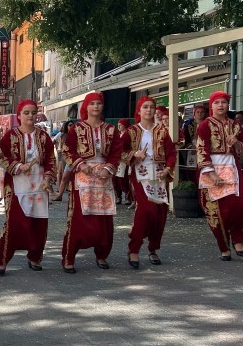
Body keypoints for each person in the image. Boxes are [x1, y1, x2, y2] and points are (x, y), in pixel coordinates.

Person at [61, 93, 123, 272]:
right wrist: (80, 164)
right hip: (82, 179)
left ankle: (102, 254)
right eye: (92, 104)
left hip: (103, 178)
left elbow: (116, 152)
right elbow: (68, 150)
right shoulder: (76, 129)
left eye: (99, 104)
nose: (96, 107)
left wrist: (108, 168)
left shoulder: (111, 130)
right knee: (79, 218)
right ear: (86, 107)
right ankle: (69, 257)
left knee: (104, 219)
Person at [0, 100, 55, 274]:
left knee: (39, 222)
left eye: (33, 112)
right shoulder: (10, 136)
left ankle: (35, 257)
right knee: (15, 223)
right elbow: (2, 156)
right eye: (26, 112)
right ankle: (3, 258)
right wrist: (19, 166)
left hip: (39, 185)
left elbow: (51, 158)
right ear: (19, 115)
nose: (30, 116)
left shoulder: (43, 136)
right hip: (16, 186)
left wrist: (49, 178)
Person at [122, 97, 177, 268]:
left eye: (152, 107)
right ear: (138, 111)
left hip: (159, 175)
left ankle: (153, 248)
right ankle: (134, 249)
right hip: (140, 174)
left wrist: (168, 169)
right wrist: (134, 154)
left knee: (159, 214)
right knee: (144, 211)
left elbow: (171, 153)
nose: (149, 110)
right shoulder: (131, 131)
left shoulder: (161, 131)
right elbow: (120, 152)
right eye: (145, 107)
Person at [197, 91, 243, 260]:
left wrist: (238, 143)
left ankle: (237, 238)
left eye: (224, 102)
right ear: (211, 106)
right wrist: (210, 173)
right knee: (216, 212)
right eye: (217, 102)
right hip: (211, 169)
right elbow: (201, 150)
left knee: (236, 206)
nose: (221, 105)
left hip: (231, 168)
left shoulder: (235, 126)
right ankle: (224, 247)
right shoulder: (205, 125)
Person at [113, 118, 131, 205]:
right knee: (115, 179)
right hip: (117, 160)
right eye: (118, 125)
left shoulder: (128, 135)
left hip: (124, 160)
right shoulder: (118, 135)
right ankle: (118, 197)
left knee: (123, 179)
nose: (119, 126)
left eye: (121, 125)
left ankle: (128, 197)